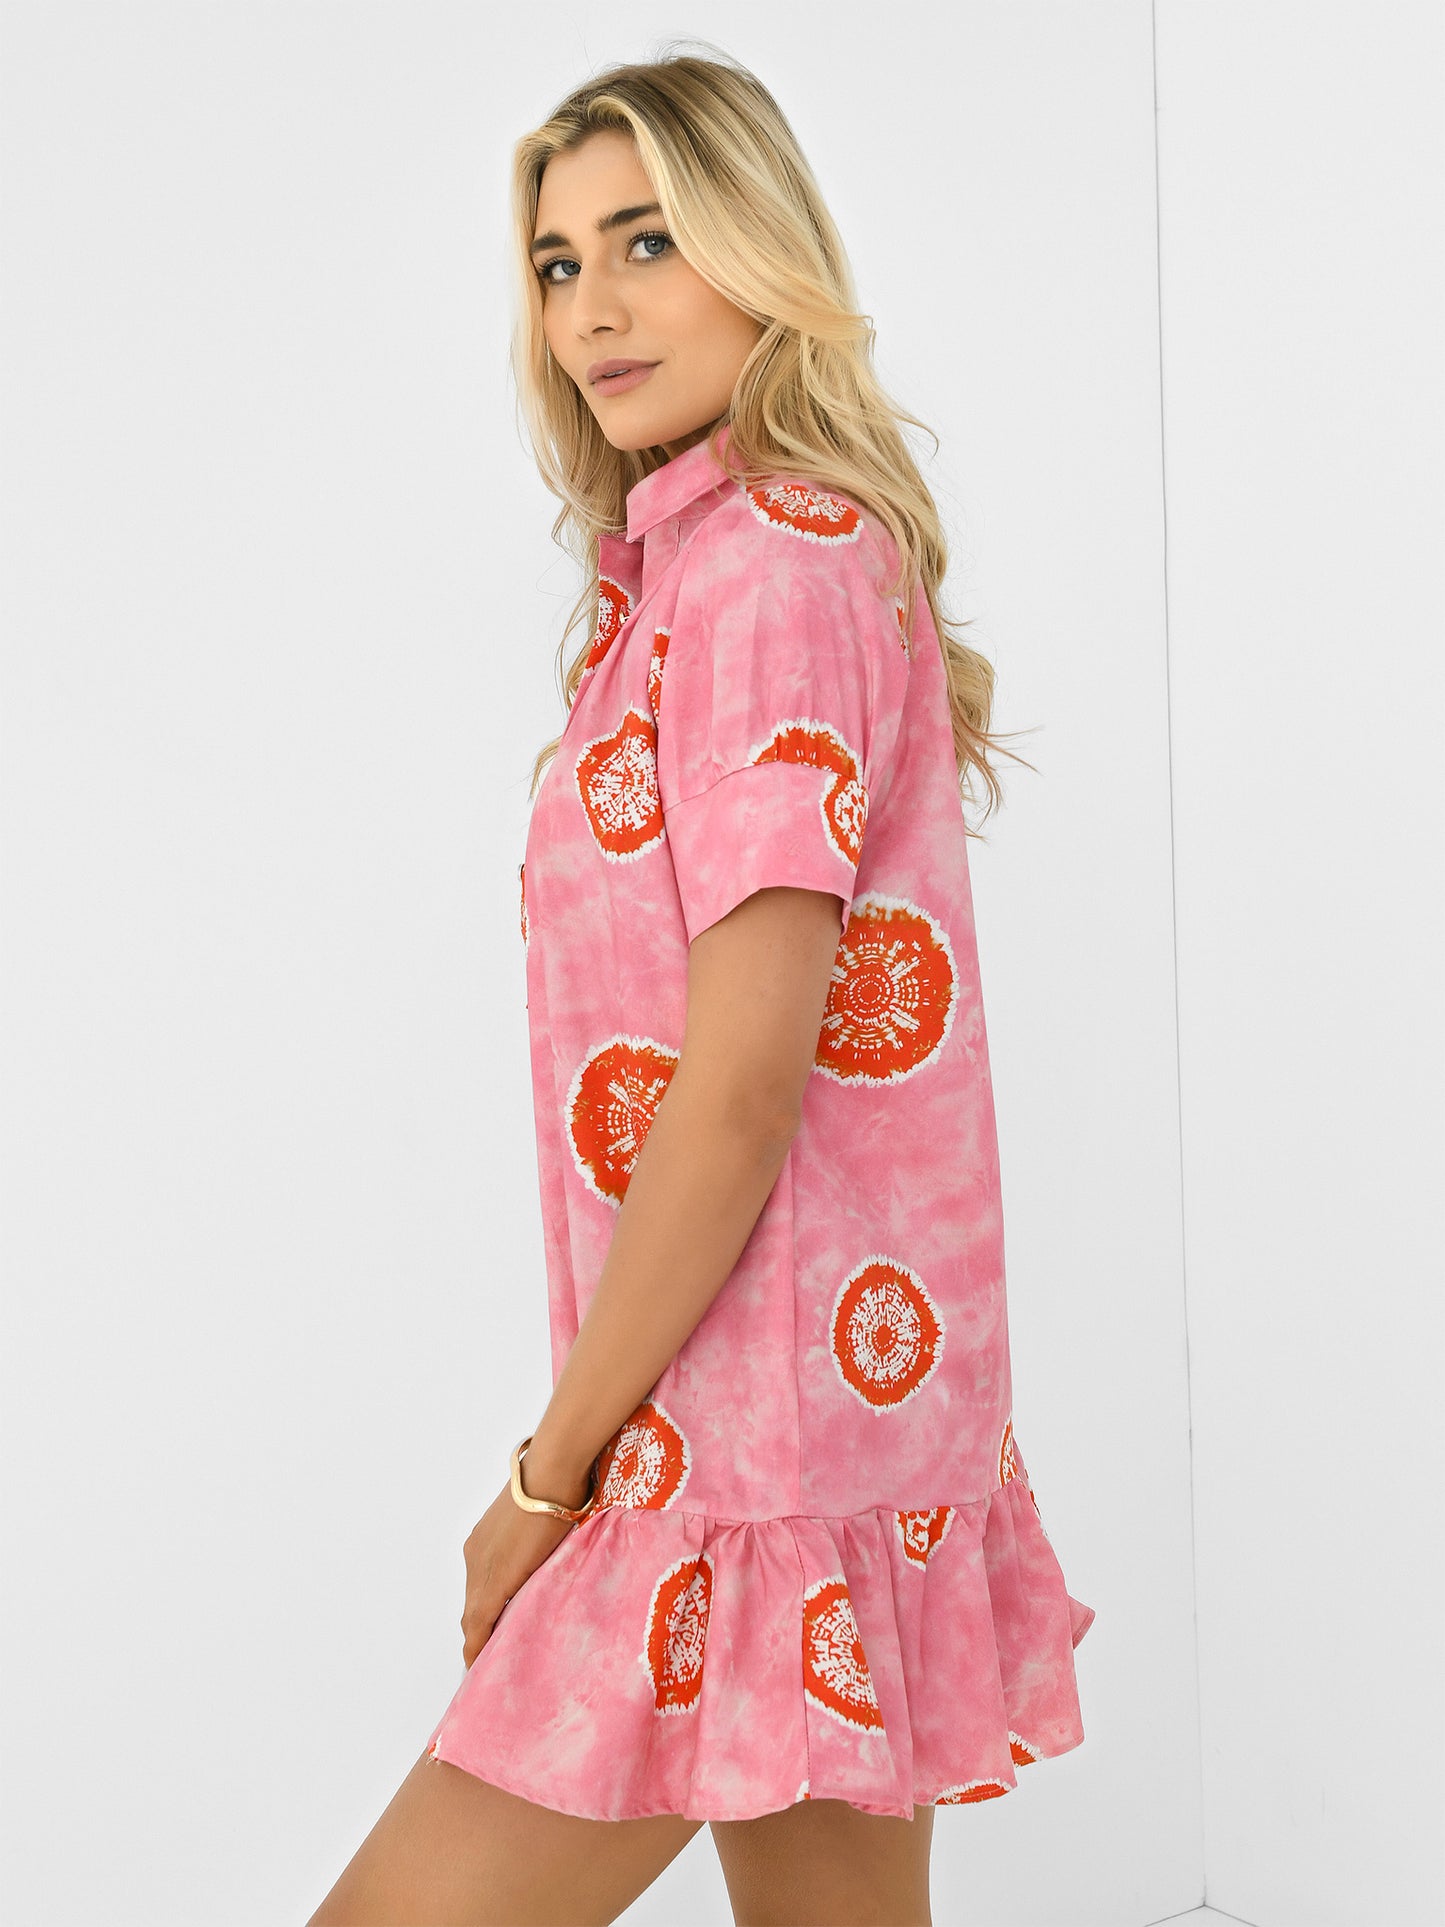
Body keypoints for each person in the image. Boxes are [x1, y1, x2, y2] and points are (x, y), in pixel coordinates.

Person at [308, 44, 1094, 1927]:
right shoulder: (704, 568)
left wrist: (549, 1476)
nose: (591, 304)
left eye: (646, 240)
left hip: (737, 1457)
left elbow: (738, 1088)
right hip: (793, 1440)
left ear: (759, 246)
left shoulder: (767, 569)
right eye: (557, 262)